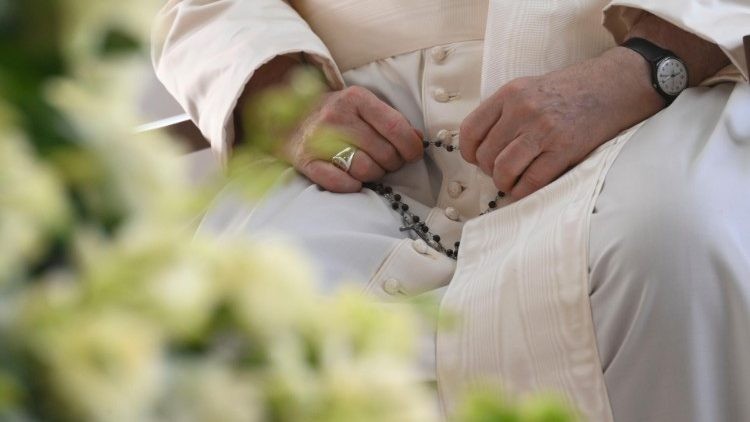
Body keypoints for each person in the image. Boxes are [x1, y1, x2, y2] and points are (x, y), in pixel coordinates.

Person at [152, 1, 750, 420]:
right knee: (237, 316)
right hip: (340, 122)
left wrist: (650, 66)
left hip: (643, 93)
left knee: (671, 245)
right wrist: (286, 98)